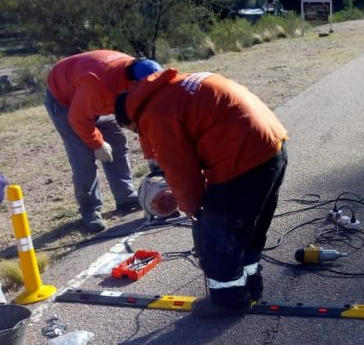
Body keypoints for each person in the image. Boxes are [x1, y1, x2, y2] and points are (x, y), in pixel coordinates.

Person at [114, 69, 288, 318]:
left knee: (217, 234)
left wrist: (194, 210)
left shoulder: (156, 114)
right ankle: (251, 283)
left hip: (242, 161)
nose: (138, 134)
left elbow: (182, 172)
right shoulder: (174, 86)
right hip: (273, 147)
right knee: (250, 225)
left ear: (131, 119)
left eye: (134, 130)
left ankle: (227, 301)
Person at [45, 50, 163, 233]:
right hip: (66, 101)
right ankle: (90, 209)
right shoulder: (99, 85)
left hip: (93, 93)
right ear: (133, 84)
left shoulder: (137, 72)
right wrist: (97, 144)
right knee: (83, 156)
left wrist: (153, 157)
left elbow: (142, 119)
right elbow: (78, 119)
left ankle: (125, 196)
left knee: (116, 141)